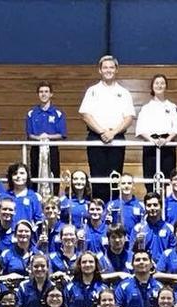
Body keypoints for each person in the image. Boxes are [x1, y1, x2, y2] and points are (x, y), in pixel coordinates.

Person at [79, 55, 135, 202]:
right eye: (105, 67)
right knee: (97, 176)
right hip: (96, 137)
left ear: (116, 70)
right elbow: (85, 114)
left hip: (116, 138)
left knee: (115, 176)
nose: (108, 70)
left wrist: (113, 132)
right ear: (99, 70)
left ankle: (114, 210)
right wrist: (102, 132)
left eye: (111, 67)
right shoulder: (92, 91)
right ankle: (98, 208)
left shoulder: (124, 92)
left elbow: (129, 117)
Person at [135, 74, 177, 192]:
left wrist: (166, 140)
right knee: (150, 178)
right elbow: (140, 129)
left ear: (166, 86)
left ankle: (166, 205)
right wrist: (153, 140)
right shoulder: (146, 108)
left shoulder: (173, 107)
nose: (159, 85)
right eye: (157, 83)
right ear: (152, 86)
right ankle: (151, 202)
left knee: (168, 178)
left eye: (162, 83)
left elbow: (176, 128)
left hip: (168, 145)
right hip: (150, 145)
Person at [27, 81, 67, 190]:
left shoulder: (58, 113)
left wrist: (47, 137)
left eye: (46, 91)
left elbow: (62, 134)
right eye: (41, 92)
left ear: (51, 94)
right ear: (38, 94)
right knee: (35, 174)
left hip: (52, 148)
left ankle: (53, 199)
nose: (43, 94)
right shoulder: (32, 113)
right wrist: (39, 138)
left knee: (54, 173)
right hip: (36, 148)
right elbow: (30, 134)